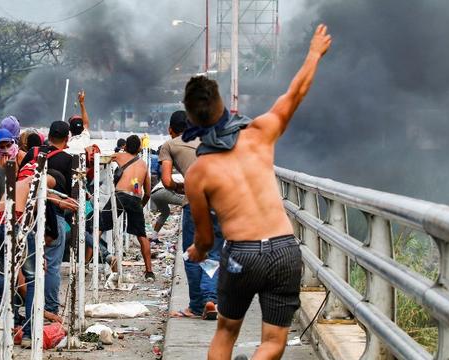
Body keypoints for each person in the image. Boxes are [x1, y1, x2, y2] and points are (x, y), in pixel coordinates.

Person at [183, 25, 331, 360]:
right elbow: (295, 93)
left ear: (191, 118)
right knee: (273, 341)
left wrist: (196, 250)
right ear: (223, 106)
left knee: (226, 330)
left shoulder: (198, 173)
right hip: (282, 249)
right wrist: (314, 53)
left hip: (240, 256)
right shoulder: (260, 133)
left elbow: (206, 240)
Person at [159, 110, 224, 320]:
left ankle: (196, 306)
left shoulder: (169, 145)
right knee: (213, 253)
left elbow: (167, 181)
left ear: (171, 130)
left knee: (192, 254)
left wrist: (181, 187)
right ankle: (211, 300)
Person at [19, 120, 74, 347]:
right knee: (50, 266)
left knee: (24, 268)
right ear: (67, 139)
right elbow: (70, 192)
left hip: (24, 216)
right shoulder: (67, 159)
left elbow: (21, 180)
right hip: (54, 216)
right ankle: (49, 308)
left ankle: (22, 314)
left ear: (48, 135)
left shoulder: (32, 152)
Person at [99, 135, 154, 280]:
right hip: (136, 198)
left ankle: (86, 262)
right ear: (139, 148)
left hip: (120, 195)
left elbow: (104, 159)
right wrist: (140, 205)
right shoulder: (143, 164)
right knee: (141, 235)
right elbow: (148, 192)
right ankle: (149, 271)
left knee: (99, 226)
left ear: (125, 146)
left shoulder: (120, 155)